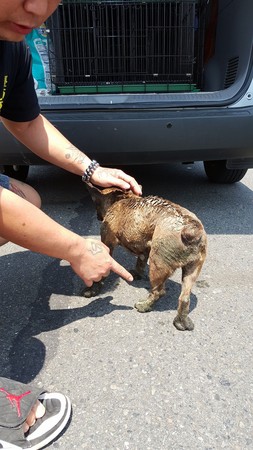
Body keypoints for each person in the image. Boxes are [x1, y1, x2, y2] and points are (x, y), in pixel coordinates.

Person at [0, 0, 142, 448]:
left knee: (27, 199)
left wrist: (89, 169)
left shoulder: (12, 46)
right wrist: (76, 249)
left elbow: (25, 121)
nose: (37, 8)